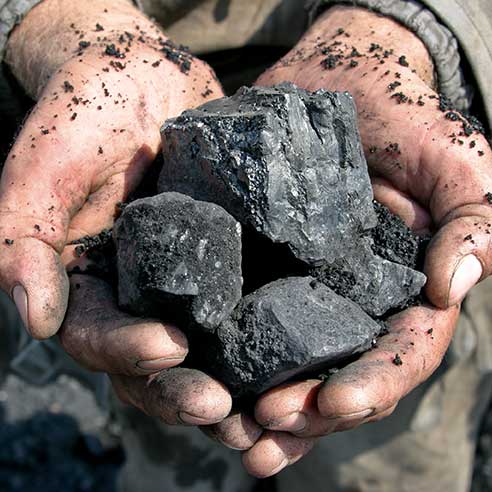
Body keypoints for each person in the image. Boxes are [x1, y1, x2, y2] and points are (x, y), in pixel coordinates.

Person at [1, 0, 492, 490]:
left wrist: (406, 23)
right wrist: (57, 20)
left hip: (380, 107)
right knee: (171, 427)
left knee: (380, 466)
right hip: (145, 97)